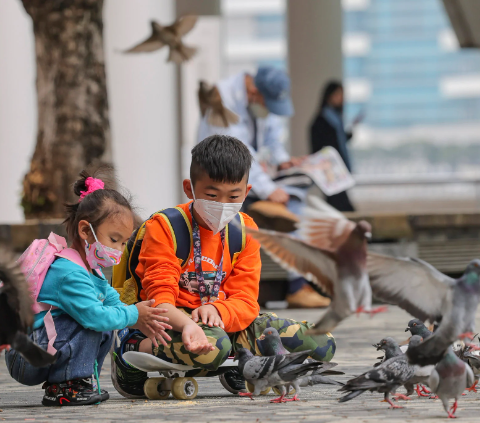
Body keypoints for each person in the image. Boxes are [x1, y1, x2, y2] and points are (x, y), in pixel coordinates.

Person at [110, 135, 336, 398]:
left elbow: (246, 300)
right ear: (189, 188)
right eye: (212, 195)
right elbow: (160, 301)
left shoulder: (245, 229)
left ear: (247, 192)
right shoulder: (164, 228)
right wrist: (188, 325)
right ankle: (133, 351)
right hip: (172, 323)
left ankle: (240, 362)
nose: (222, 205)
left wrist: (218, 308)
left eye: (233, 196)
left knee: (321, 342)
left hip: (225, 322)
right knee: (215, 345)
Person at [5, 169, 171, 407]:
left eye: (124, 243)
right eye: (114, 240)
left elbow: (113, 302)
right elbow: (95, 317)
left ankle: (77, 381)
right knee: (94, 322)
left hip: (39, 348)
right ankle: (66, 386)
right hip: (25, 357)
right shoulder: (70, 273)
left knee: (106, 322)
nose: (120, 250)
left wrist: (140, 314)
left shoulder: (90, 270)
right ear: (85, 231)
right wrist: (134, 314)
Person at [197, 66, 330, 308]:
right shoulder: (224, 97)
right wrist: (269, 190)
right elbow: (239, 152)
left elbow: (271, 138)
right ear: (254, 92)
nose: (268, 111)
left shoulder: (257, 101)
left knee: (296, 205)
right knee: (234, 231)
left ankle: (299, 284)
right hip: (224, 181)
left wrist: (283, 161)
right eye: (267, 104)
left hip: (248, 182)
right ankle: (295, 286)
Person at [310, 81, 357, 212]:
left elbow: (336, 142)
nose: (340, 98)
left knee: (337, 205)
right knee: (341, 206)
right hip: (330, 170)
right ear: (329, 95)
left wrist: (348, 135)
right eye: (337, 94)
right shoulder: (322, 119)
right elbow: (324, 146)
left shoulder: (336, 118)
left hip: (338, 169)